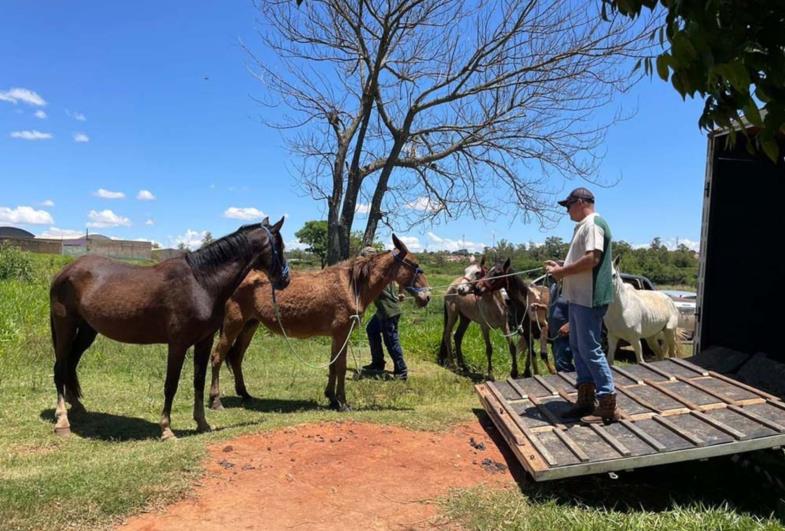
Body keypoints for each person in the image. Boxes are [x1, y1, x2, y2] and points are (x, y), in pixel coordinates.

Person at [544, 187, 619, 424]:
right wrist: (561, 265)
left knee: (590, 348)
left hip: (589, 297)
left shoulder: (593, 224)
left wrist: (561, 272)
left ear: (579, 202)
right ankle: (586, 400)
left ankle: (607, 403)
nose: (567, 211)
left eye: (568, 206)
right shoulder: (585, 225)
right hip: (579, 297)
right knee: (578, 346)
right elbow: (584, 259)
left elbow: (592, 259)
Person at [361, 248, 408, 380]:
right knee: (371, 329)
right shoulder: (385, 270)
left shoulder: (374, 273)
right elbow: (400, 279)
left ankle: (401, 371)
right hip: (383, 311)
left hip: (389, 311)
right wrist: (401, 292)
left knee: (391, 341)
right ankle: (378, 363)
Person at [547, 276, 574, 373]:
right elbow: (554, 305)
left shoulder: (573, 288)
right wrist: (541, 307)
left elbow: (582, 310)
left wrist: (570, 325)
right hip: (556, 335)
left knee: (564, 365)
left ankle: (574, 383)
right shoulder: (555, 287)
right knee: (559, 364)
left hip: (568, 335)